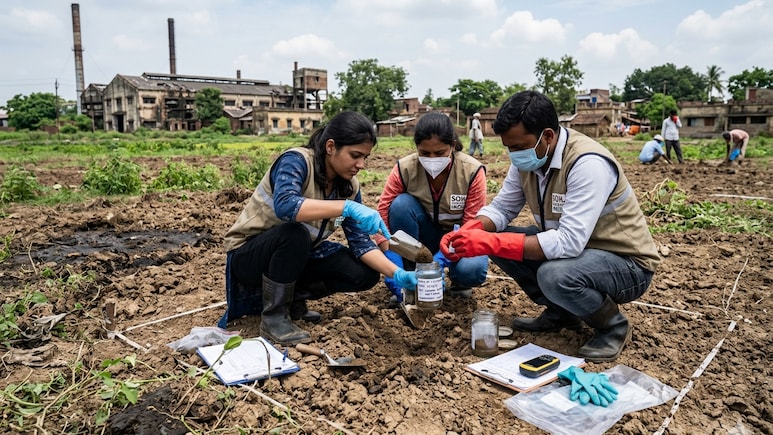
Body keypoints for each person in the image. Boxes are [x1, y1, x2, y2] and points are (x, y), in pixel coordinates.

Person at [440, 90, 661, 362]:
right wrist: (471, 229)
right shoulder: (528, 159)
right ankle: (562, 312)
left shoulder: (587, 164)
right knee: (497, 237)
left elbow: (568, 242)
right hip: (579, 254)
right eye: (509, 147)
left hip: (625, 263)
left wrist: (489, 242)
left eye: (519, 147)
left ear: (547, 136)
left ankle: (612, 326)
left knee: (554, 274)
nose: (514, 154)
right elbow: (502, 208)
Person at [218, 111, 417, 345]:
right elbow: (286, 206)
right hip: (249, 256)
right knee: (294, 234)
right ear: (331, 146)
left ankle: (293, 300)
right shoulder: (298, 161)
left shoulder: (348, 187)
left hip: (295, 256)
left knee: (363, 272)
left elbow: (361, 243)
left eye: (365, 157)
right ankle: (274, 318)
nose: (361, 165)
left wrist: (397, 274)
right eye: (355, 155)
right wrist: (345, 208)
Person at [374, 112, 488, 300]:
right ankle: (410, 276)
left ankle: (459, 281)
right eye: (425, 153)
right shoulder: (405, 168)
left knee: (472, 269)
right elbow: (383, 213)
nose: (432, 159)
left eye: (440, 153)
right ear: (417, 147)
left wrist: (438, 261)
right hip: (422, 238)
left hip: (457, 239)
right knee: (401, 205)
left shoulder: (471, 171)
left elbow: (471, 227)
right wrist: (391, 259)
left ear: (452, 145)